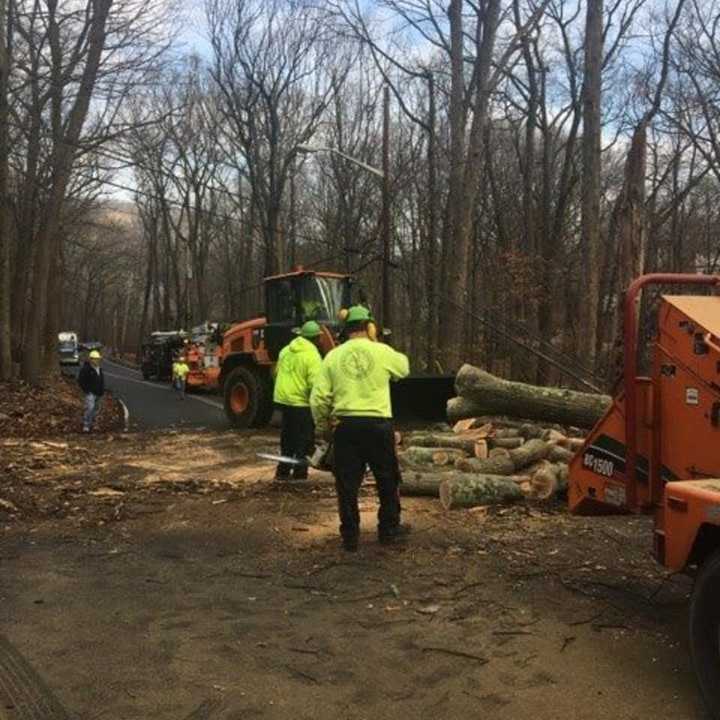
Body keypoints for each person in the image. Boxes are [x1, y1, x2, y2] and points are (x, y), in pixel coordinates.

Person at [310, 305, 410, 552]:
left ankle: (350, 537)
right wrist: (377, 342)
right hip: (378, 426)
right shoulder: (382, 351)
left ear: (345, 329)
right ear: (369, 327)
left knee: (346, 485)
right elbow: (404, 368)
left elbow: (318, 399)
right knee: (387, 479)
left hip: (346, 427)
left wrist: (324, 427)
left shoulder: (333, 356)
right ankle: (388, 531)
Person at [273, 320, 324, 481]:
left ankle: (282, 472)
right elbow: (315, 384)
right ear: (315, 338)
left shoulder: (285, 351)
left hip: (284, 400)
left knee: (287, 437)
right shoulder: (312, 355)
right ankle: (300, 473)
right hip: (301, 402)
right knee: (304, 439)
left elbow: (276, 373)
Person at [78, 349, 105, 433]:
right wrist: (86, 390)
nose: (96, 360)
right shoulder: (86, 369)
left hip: (99, 393)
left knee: (96, 409)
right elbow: (81, 380)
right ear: (91, 359)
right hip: (90, 393)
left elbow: (101, 380)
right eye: (94, 359)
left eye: (97, 359)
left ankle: (93, 424)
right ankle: (86, 425)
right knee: (89, 408)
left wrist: (102, 390)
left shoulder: (99, 369)